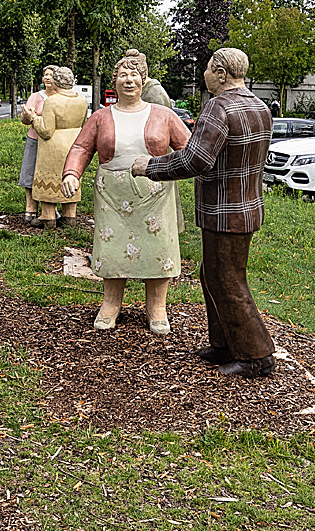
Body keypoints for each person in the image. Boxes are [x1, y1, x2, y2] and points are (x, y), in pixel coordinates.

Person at [132, 47, 276, 379]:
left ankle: (257, 356)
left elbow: (194, 160)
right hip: (248, 206)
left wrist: (149, 166)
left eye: (210, 69)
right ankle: (224, 344)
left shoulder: (218, 107)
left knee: (227, 280)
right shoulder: (258, 105)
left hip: (224, 209)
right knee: (213, 274)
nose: (206, 75)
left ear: (222, 73)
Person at [62, 51, 191, 334]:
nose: (128, 80)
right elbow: (82, 148)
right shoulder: (100, 117)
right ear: (114, 81)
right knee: (112, 248)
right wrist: (72, 173)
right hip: (112, 195)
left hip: (154, 195)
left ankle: (157, 307)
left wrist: (172, 168)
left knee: (158, 249)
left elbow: (189, 151)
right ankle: (110, 303)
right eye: (123, 75)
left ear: (144, 80)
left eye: (134, 75)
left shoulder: (163, 115)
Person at [22, 66, 87, 228]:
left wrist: (33, 118)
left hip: (53, 147)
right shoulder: (81, 100)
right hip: (74, 145)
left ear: (57, 81)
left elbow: (45, 131)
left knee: (49, 178)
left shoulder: (52, 101)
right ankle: (69, 216)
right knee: (70, 177)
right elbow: (84, 123)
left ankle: (48, 216)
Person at [18, 65, 59, 223]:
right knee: (29, 171)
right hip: (35, 139)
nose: (47, 77)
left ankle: (49, 210)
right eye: (45, 75)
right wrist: (28, 116)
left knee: (51, 175)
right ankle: (30, 207)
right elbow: (24, 120)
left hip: (53, 142)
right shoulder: (36, 96)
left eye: (51, 75)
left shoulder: (61, 97)